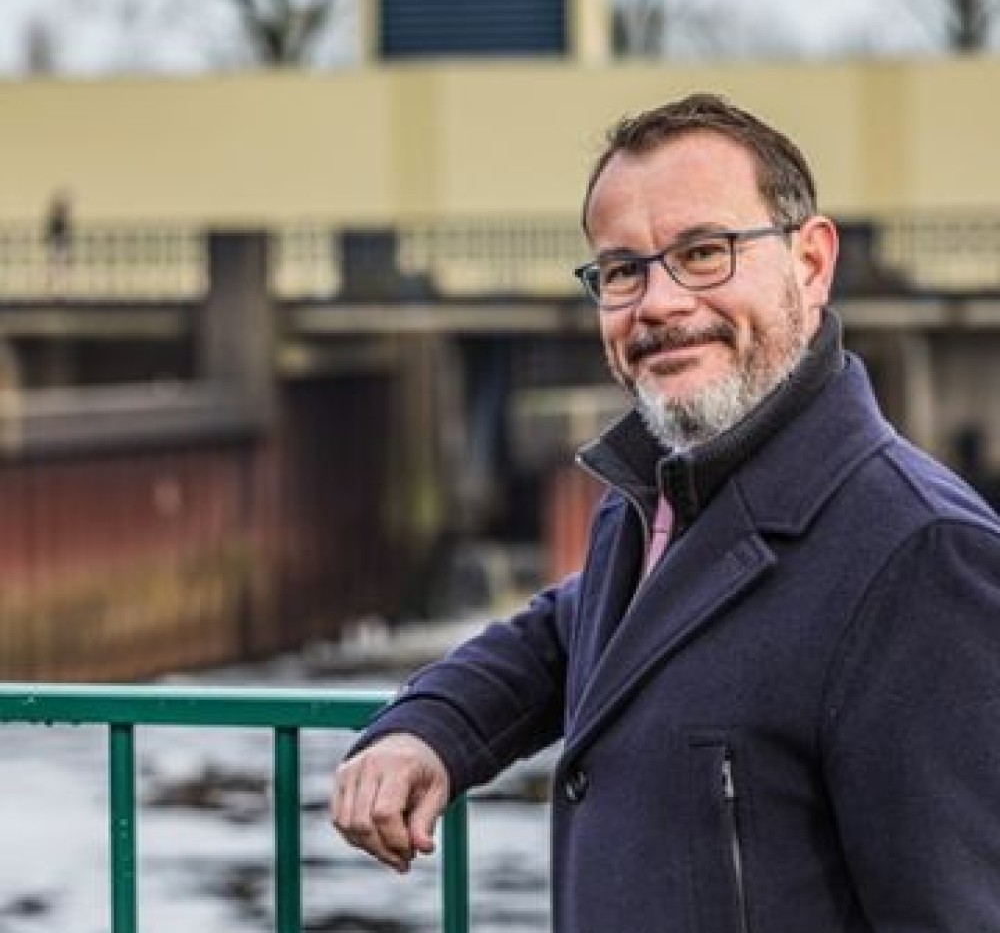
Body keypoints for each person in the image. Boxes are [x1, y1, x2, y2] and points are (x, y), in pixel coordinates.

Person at [331, 93, 1000, 932]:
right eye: (623, 270)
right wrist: (431, 726)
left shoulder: (923, 553)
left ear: (811, 261)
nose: (658, 302)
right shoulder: (661, 490)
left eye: (704, 252)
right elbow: (570, 633)